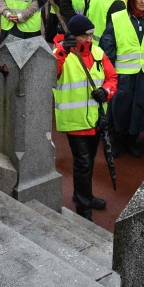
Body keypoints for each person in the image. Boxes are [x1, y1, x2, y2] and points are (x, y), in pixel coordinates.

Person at [52, 14, 116, 221]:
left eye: (91, 35)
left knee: (87, 163)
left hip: (95, 120)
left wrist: (106, 92)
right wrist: (62, 50)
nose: (89, 40)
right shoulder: (60, 54)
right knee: (83, 163)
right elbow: (51, 74)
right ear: (74, 36)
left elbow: (112, 77)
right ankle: (83, 206)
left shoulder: (98, 53)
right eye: (84, 36)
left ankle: (83, 196)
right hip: (74, 121)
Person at [100, 0, 144, 159]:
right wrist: (108, 72)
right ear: (131, 0)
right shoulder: (117, 18)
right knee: (120, 109)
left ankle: (132, 141)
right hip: (123, 76)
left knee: (140, 109)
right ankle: (119, 141)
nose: (142, 1)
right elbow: (108, 44)